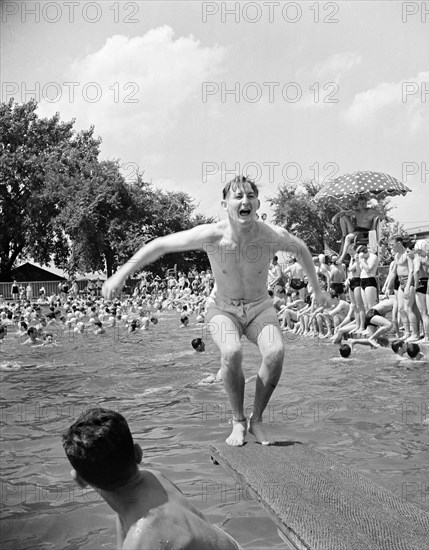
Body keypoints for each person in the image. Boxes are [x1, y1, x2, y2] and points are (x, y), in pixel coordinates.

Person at [103, 176, 330, 446]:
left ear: (257, 203)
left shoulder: (271, 235)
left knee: (276, 353)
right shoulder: (211, 235)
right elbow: (160, 245)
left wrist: (316, 289)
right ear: (225, 204)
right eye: (238, 196)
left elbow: (301, 248)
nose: (244, 201)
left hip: (259, 307)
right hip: (223, 308)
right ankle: (238, 421)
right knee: (232, 352)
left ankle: (256, 420)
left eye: (250, 196)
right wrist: (120, 274)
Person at [62, 408, 242, 550]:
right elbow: (123, 513)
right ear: (138, 454)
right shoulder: (153, 477)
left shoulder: (140, 542)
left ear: (80, 479)